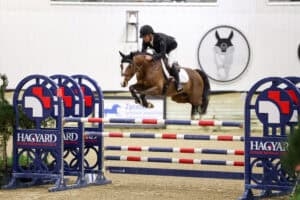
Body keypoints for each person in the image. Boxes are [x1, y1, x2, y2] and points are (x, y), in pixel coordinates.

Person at [139, 25, 183, 92]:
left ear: (150, 35)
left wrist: (152, 57)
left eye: (145, 36)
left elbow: (162, 54)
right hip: (160, 49)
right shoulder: (145, 41)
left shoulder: (160, 39)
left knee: (170, 63)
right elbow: (143, 52)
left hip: (172, 47)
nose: (144, 39)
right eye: (143, 37)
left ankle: (178, 84)